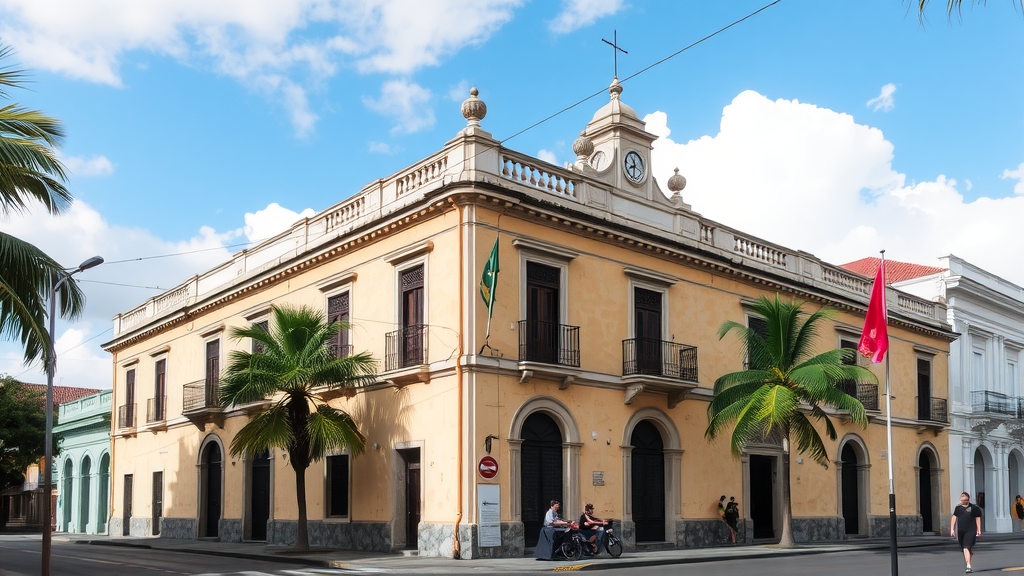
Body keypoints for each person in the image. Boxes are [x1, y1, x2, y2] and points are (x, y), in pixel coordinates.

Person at [951, 491, 983, 573]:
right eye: (962, 499)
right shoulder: (958, 508)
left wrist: (979, 530)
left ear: (968, 499)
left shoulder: (974, 508)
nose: (964, 501)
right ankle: (969, 558)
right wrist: (952, 529)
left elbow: (977, 518)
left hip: (971, 530)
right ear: (960, 499)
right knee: (965, 548)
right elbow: (954, 518)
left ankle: (968, 566)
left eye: (965, 500)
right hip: (960, 531)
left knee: (966, 547)